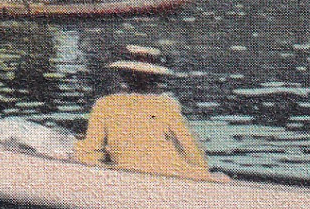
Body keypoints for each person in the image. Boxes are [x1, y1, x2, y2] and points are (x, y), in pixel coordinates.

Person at [73, 50, 218, 180]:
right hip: (172, 171)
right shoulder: (167, 105)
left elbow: (90, 153)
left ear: (124, 76)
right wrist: (202, 172)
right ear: (155, 80)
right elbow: (191, 149)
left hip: (128, 173)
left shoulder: (104, 104)